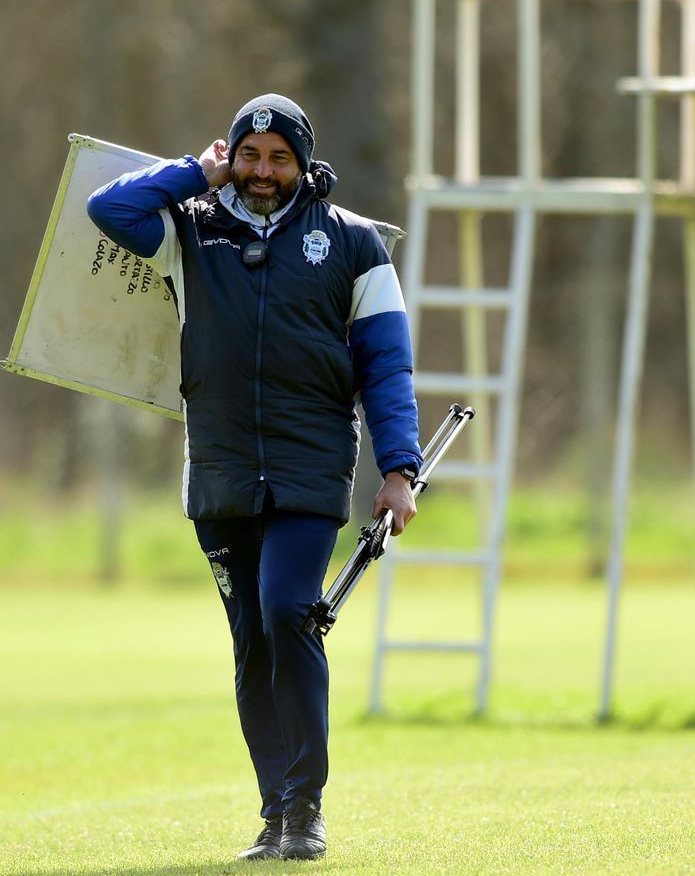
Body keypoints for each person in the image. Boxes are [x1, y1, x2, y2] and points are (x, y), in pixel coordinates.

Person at [86, 94, 422, 862]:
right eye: (249, 155)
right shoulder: (188, 226)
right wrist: (190, 173)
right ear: (230, 156)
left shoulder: (356, 246)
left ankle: (306, 806)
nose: (262, 171)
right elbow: (109, 210)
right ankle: (275, 810)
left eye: (278, 158)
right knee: (250, 645)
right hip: (221, 470)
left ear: (303, 164)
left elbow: (387, 366)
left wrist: (398, 469)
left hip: (310, 468)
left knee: (287, 613)